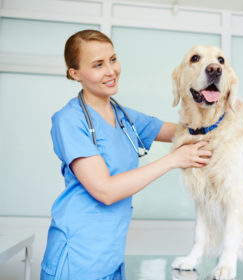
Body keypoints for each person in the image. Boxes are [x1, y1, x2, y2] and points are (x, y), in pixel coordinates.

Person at [40, 29, 212, 280]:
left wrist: (219, 114)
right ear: (74, 73)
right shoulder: (69, 120)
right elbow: (105, 191)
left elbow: (185, 132)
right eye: (98, 64)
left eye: (112, 59)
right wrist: (174, 160)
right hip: (77, 258)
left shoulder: (124, 117)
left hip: (111, 257)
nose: (111, 70)